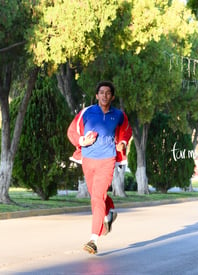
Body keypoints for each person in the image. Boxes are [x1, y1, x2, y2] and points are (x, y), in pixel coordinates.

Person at [67, 81, 132, 254]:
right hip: (88, 159)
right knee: (97, 196)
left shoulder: (118, 115)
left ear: (112, 96)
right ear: (96, 96)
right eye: (101, 92)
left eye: (108, 93)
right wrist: (82, 141)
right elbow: (72, 131)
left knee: (97, 197)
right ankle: (109, 212)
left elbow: (126, 130)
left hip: (107, 160)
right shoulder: (87, 112)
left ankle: (93, 239)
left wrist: (123, 143)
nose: (104, 95)